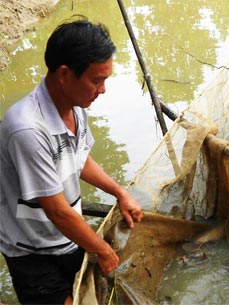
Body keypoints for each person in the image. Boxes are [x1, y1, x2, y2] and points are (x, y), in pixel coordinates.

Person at [0, 16, 143, 305]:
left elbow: (79, 159)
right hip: (33, 250)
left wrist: (120, 192)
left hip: (67, 236)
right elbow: (57, 212)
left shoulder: (75, 108)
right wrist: (102, 249)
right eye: (96, 80)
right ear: (65, 75)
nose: (102, 90)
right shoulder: (27, 129)